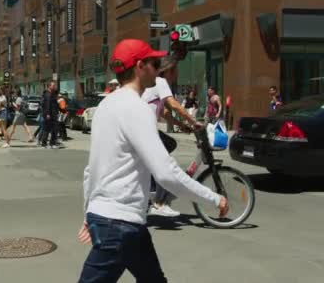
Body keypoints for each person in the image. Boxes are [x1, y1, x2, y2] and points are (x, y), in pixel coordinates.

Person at [78, 39, 228, 282]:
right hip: (119, 225)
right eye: (155, 63)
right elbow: (166, 174)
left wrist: (89, 213)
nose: (159, 69)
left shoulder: (105, 106)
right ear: (140, 67)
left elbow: (91, 170)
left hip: (118, 222)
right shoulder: (137, 109)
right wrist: (214, 198)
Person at [142, 56, 203, 217]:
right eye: (176, 70)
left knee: (169, 143)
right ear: (169, 70)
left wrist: (181, 125)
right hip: (145, 130)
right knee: (164, 163)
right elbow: (174, 104)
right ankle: (159, 202)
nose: (177, 73)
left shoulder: (156, 83)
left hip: (145, 129)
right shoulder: (160, 82)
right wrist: (193, 121)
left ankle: (153, 186)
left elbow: (164, 111)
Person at [40, 81, 60, 149]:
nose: (54, 87)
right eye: (53, 85)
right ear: (49, 86)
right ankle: (45, 144)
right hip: (50, 114)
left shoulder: (52, 94)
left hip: (53, 114)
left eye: (54, 85)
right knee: (47, 129)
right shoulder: (48, 94)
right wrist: (48, 114)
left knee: (53, 129)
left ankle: (51, 143)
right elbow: (47, 105)